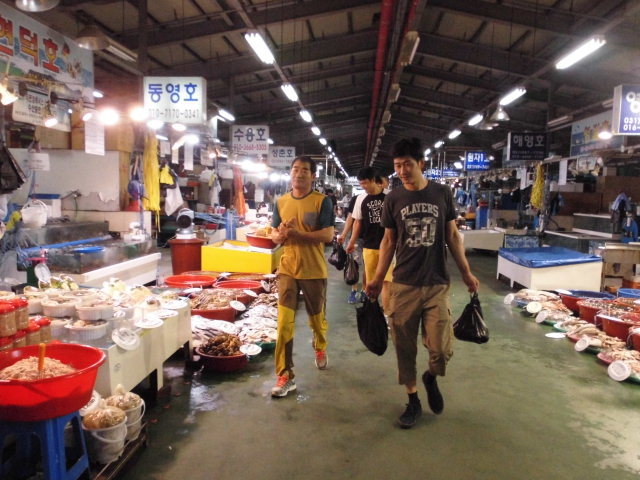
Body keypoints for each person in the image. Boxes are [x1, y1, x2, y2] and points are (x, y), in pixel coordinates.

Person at [365, 138, 479, 429]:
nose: (402, 170)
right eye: (397, 165)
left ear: (421, 164)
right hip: (403, 285)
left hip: (437, 283)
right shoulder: (393, 198)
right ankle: (413, 398)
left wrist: (466, 272)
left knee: (440, 349)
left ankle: (431, 376)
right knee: (405, 348)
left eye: (408, 164)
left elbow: (452, 236)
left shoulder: (442, 193)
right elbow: (388, 241)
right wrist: (377, 278)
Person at [270, 156, 335, 398]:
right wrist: (280, 235)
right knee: (284, 324)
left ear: (313, 176)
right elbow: (274, 234)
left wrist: (298, 234)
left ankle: (320, 344)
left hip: (313, 270)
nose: (299, 174)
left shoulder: (322, 201)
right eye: (295, 169)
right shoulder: (281, 202)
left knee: (317, 319)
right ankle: (285, 375)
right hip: (287, 268)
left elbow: (328, 235)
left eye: (305, 170)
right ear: (290, 173)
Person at [346, 167, 392, 310]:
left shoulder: (390, 196)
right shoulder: (360, 199)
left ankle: (386, 313)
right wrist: (351, 242)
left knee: (387, 282)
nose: (363, 186)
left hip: (389, 247)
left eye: (365, 183)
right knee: (371, 283)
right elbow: (357, 222)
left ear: (373, 180)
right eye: (361, 184)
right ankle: (371, 311)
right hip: (369, 246)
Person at [337, 193, 365, 303]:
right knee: (354, 264)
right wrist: (344, 234)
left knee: (368, 267)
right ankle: (354, 290)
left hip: (374, 239)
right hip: (356, 238)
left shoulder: (384, 197)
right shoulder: (357, 198)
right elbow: (350, 217)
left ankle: (365, 291)